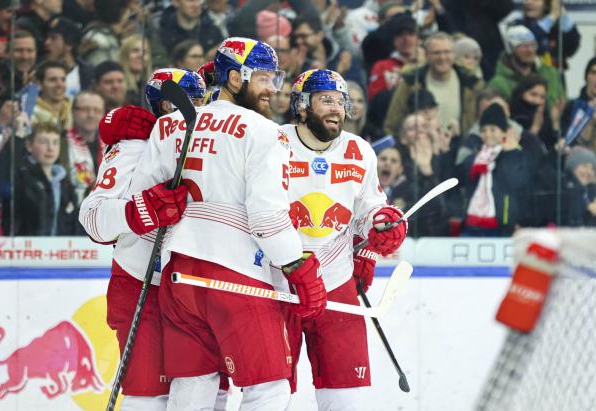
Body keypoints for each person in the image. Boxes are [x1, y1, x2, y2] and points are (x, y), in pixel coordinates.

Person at [131, 38, 327, 410]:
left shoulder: (170, 126)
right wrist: (297, 266)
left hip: (178, 279)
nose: (274, 88)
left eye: (276, 77)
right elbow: (267, 217)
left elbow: (141, 208)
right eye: (265, 78)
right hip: (235, 279)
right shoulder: (265, 131)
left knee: (194, 386)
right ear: (235, 77)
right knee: (269, 388)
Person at [79, 68, 214, 410]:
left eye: (201, 101)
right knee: (147, 393)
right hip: (142, 280)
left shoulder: (216, 146)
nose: (194, 110)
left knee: (206, 384)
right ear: (160, 105)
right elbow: (93, 217)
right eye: (185, 103)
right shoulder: (134, 145)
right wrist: (140, 211)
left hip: (195, 286)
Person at [282, 69, 407, 409]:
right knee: (271, 393)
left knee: (346, 396)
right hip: (278, 283)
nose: (336, 108)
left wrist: (380, 225)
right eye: (326, 100)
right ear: (302, 106)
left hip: (336, 283)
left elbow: (369, 208)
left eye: (340, 101)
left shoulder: (359, 150)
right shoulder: (273, 143)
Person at [459, 103, 528, 236]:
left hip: (500, 225)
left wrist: (510, 153)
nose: (487, 134)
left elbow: (515, 182)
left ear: (504, 132)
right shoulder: (473, 158)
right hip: (471, 224)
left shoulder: (515, 155)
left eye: (492, 129)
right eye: (484, 130)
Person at [11, 122, 78, 236]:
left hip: (60, 250)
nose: (50, 148)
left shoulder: (65, 182)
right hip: (26, 249)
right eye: (43, 142)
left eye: (55, 143)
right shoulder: (21, 176)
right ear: (29, 146)